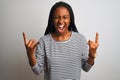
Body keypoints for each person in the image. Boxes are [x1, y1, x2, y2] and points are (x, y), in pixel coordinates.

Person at [23, 1, 99, 80]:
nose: (60, 21)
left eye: (65, 17)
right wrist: (30, 55)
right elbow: (37, 71)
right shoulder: (44, 41)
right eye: (56, 17)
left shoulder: (80, 39)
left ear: (70, 20)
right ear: (52, 20)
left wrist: (91, 56)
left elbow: (86, 68)